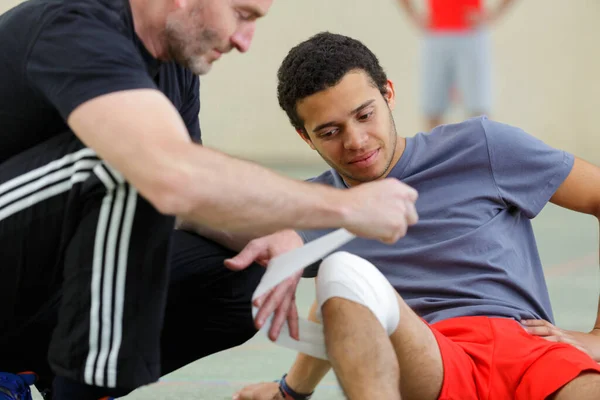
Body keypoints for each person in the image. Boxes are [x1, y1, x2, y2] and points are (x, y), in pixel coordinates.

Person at [0, 0, 420, 399]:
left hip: (31, 264)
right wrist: (346, 208)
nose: (245, 40)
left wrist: (290, 242)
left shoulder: (174, 72)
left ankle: (36, 373)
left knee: (240, 279)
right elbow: (171, 173)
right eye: (241, 14)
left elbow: (189, 206)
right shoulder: (78, 27)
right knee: (129, 164)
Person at [230, 32, 600, 400]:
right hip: (432, 361)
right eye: (330, 132)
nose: (356, 141)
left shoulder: (481, 146)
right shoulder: (313, 204)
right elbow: (335, 302)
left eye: (365, 115)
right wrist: (290, 393)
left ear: (388, 93)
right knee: (340, 271)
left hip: (530, 350)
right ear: (305, 137)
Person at [396, 0, 516, 131]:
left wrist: (493, 15)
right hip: (436, 34)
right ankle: (437, 151)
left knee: (479, 111)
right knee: (433, 109)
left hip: (471, 35)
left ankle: (480, 151)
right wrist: (414, 16)